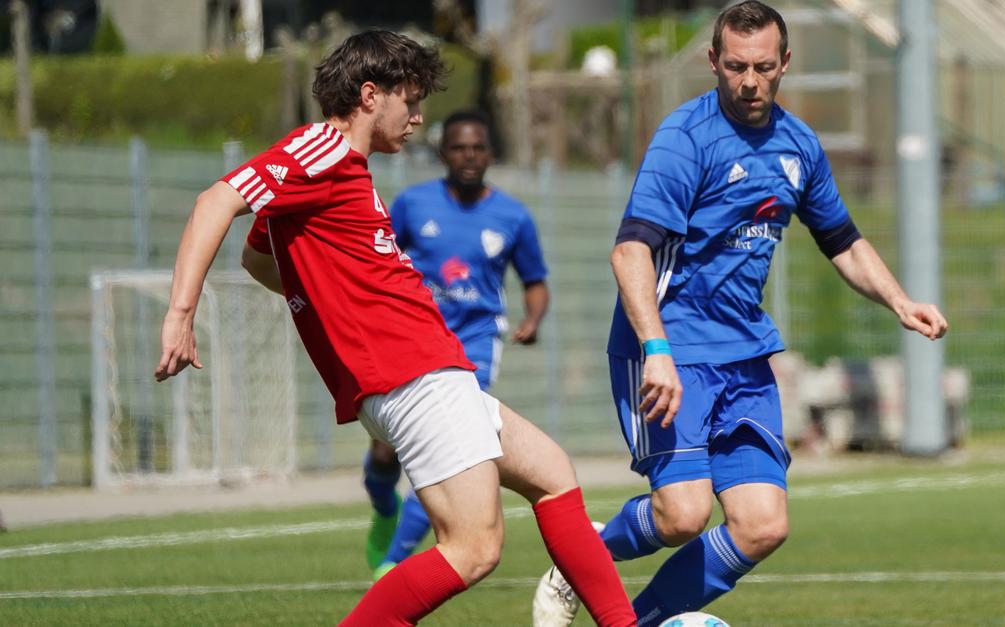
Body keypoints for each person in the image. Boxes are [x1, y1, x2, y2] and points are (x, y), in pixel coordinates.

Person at [156, 30, 634, 626]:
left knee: (553, 475)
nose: (418, 117)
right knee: (474, 547)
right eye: (410, 100)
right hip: (413, 374)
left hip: (428, 369)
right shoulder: (320, 149)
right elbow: (214, 202)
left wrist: (331, 296)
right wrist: (181, 314)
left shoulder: (340, 174)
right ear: (368, 96)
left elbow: (258, 259)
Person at [531, 2, 948, 625]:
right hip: (672, 351)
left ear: (785, 62)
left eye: (762, 67)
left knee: (762, 525)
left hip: (744, 355)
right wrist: (656, 350)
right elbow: (630, 252)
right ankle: (583, 556)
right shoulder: (685, 138)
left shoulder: (800, 145)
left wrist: (901, 300)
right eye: (735, 66)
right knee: (683, 515)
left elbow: (842, 241)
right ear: (713, 61)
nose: (749, 81)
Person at [360, 109, 551, 579]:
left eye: (478, 147)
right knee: (384, 454)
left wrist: (532, 319)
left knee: (448, 449)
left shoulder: (513, 215)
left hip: (474, 346)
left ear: (490, 153)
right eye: (460, 147)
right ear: (444, 152)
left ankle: (393, 562)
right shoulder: (412, 205)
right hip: (411, 339)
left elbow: (535, 281)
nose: (469, 156)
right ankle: (384, 507)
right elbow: (379, 259)